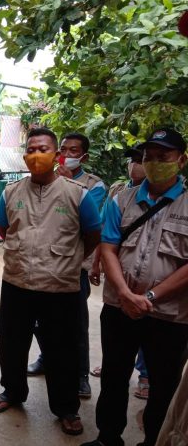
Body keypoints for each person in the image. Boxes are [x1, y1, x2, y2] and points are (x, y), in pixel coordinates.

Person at [0, 127, 101, 437]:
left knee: (61, 349)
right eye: (31, 149)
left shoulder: (77, 194)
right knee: (12, 343)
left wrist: (68, 260)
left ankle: (66, 408)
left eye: (43, 149)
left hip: (59, 286)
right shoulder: (11, 192)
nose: (36, 155)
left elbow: (93, 235)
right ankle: (12, 392)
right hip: (16, 281)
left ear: (57, 155)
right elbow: (4, 229)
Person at [81, 127, 188, 446]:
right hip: (119, 307)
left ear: (181, 160)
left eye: (163, 157)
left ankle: (154, 441)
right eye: (148, 157)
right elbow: (109, 247)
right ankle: (108, 438)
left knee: (163, 385)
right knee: (114, 375)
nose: (153, 163)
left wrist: (150, 296)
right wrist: (126, 295)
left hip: (169, 315)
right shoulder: (122, 199)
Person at [27, 132, 106, 399]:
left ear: (84, 156)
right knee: (39, 319)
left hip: (73, 269)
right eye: (63, 149)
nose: (66, 155)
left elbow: (89, 227)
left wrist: (67, 183)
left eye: (73, 151)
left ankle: (80, 375)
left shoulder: (93, 185)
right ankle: (46, 358)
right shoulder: (41, 178)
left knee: (75, 323)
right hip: (40, 264)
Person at [90, 145, 150, 401]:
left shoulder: (181, 200)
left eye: (140, 160)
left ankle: (145, 375)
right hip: (119, 285)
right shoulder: (118, 193)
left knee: (149, 328)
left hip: (156, 292)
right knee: (116, 340)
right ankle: (112, 365)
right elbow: (105, 234)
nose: (135, 165)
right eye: (133, 160)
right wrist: (96, 263)